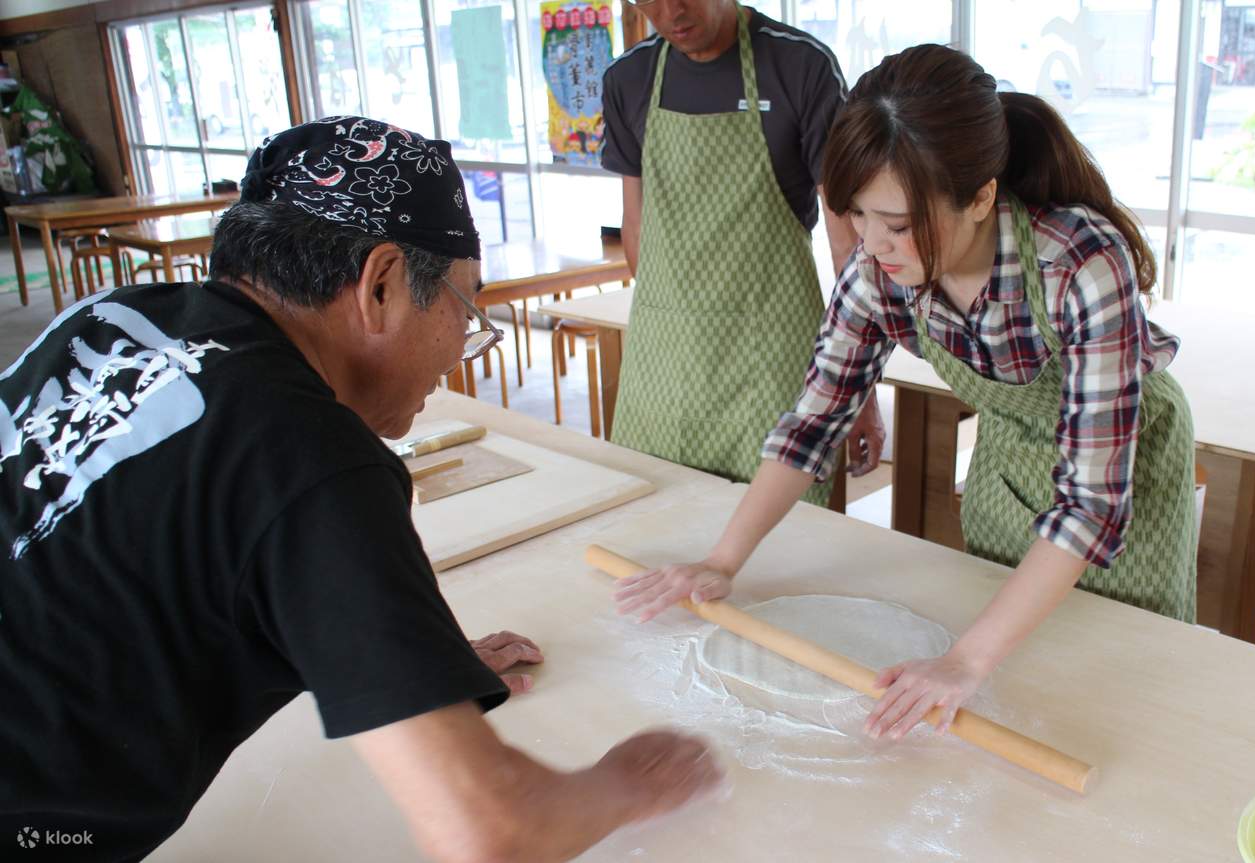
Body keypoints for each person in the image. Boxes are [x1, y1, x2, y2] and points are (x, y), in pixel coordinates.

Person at [0, 117, 720, 862]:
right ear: (380, 285)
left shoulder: (112, 318)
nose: (459, 348)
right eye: (464, 308)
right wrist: (631, 781)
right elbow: (493, 827)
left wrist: (394, 660)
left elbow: (135, 560)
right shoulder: (311, 452)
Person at [614, 45, 1197, 742]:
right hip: (1011, 455)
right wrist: (721, 560)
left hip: (1121, 472)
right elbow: (814, 420)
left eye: (896, 223)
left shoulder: (1076, 260)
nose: (873, 244)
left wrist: (962, 660)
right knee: (1021, 682)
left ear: (980, 196)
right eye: (856, 215)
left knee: (1111, 687)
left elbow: (1090, 503)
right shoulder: (877, 267)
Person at [601, 0, 886, 505]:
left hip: (773, 358)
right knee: (658, 526)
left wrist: (858, 387)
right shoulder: (629, 78)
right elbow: (636, 223)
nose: (670, 12)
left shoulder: (800, 65)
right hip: (666, 363)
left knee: (786, 540)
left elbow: (848, 242)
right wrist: (667, 325)